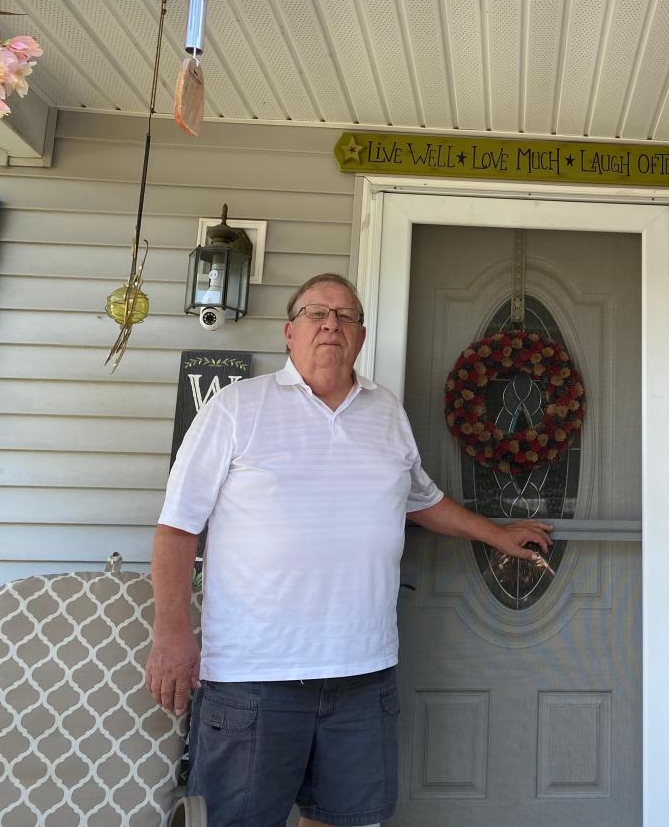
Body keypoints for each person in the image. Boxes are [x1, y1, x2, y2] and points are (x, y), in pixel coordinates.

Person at [146, 272, 552, 827]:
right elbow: (177, 529)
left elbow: (421, 500)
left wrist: (496, 534)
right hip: (256, 674)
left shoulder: (385, 412)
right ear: (290, 333)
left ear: (360, 337)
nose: (331, 324)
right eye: (317, 313)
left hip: (363, 674)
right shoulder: (236, 409)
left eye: (345, 316)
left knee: (346, 820)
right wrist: (171, 633)